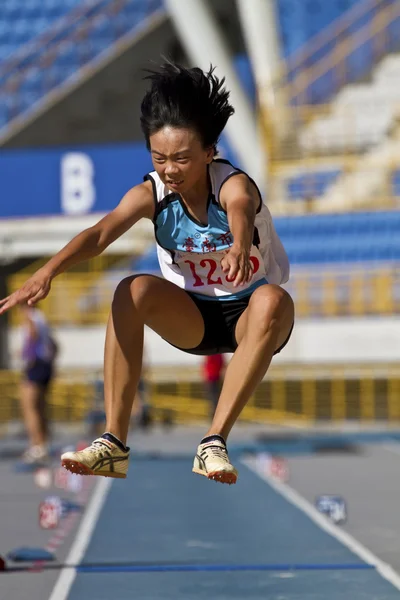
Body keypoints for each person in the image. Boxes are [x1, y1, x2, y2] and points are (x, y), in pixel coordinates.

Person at [0, 62, 294, 485]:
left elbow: (240, 209)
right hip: (192, 317)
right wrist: (48, 271)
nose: (170, 169)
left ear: (210, 152)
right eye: (160, 158)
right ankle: (113, 444)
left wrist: (239, 245)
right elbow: (100, 232)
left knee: (273, 300)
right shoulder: (152, 194)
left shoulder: (231, 183)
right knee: (130, 290)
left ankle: (213, 442)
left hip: (253, 317)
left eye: (181, 158)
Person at [19, 304, 57, 463]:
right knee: (40, 406)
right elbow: (54, 345)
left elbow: (33, 335)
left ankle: (37, 446)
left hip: (35, 365)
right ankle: (43, 444)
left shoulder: (31, 317)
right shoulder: (42, 318)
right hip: (45, 365)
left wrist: (27, 356)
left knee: (29, 407)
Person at [202, 354, 225, 419]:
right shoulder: (216, 354)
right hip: (212, 379)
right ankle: (214, 415)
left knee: (214, 398)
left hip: (215, 378)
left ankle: (215, 415)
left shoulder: (216, 354)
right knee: (214, 398)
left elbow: (205, 365)